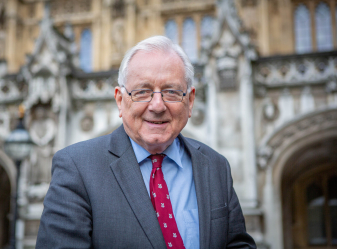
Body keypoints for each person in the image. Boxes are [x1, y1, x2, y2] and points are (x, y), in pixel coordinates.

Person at [36, 36, 256, 249]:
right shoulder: (77, 167)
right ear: (120, 101)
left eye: (171, 91)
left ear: (190, 102)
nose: (157, 106)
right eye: (143, 92)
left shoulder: (215, 166)